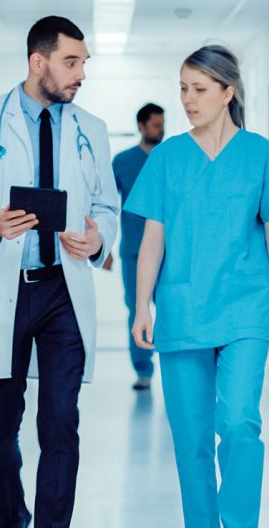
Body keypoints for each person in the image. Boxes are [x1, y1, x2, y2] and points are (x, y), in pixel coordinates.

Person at [0, 15, 119, 528]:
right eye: (71, 62)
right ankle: (13, 516)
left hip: (63, 289)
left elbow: (107, 206)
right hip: (3, 288)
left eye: (83, 62)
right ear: (38, 62)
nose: (81, 73)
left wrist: (99, 238)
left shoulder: (91, 130)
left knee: (61, 424)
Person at [126, 45, 269, 528]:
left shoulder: (261, 155)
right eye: (183, 89)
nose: (188, 99)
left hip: (245, 311)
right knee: (192, 440)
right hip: (182, 311)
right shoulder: (167, 158)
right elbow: (153, 239)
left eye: (199, 89)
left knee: (240, 422)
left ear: (227, 93)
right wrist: (141, 307)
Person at [112, 102, 165, 390]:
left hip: (169, 252)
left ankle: (173, 368)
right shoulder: (122, 162)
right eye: (155, 125)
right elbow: (106, 206)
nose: (160, 130)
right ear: (141, 126)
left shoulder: (171, 158)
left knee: (169, 309)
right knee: (137, 309)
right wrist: (104, 247)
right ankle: (143, 370)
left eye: (162, 124)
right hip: (133, 250)